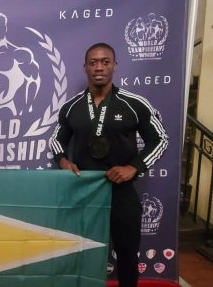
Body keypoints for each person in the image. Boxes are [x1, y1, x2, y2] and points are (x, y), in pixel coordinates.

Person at [50, 43, 168, 286]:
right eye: (93, 62)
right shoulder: (71, 107)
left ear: (115, 65)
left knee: (126, 253)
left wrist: (134, 167)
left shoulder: (134, 104)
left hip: (121, 191)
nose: (99, 67)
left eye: (105, 61)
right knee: (80, 251)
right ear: (85, 68)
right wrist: (62, 160)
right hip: (84, 192)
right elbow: (55, 140)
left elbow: (160, 140)